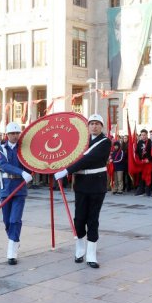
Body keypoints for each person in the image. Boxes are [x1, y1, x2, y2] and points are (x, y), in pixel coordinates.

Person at [54, 114, 112, 268]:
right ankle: (80, 248)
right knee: (79, 219)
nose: (94, 126)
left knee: (93, 219)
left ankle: (91, 255)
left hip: (97, 185)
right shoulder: (81, 142)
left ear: (102, 126)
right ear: (87, 126)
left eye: (97, 123)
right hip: (81, 184)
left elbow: (88, 159)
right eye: (91, 123)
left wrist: (66, 171)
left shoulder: (105, 142)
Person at [0, 122, 33, 265]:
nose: (15, 136)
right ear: (7, 135)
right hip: (6, 187)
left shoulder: (24, 150)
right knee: (6, 221)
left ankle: (11, 252)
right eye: (12, 134)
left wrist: (29, 171)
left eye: (17, 133)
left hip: (20, 188)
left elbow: (32, 162)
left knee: (14, 220)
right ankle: (15, 239)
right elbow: (2, 165)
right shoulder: (1, 149)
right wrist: (21, 172)